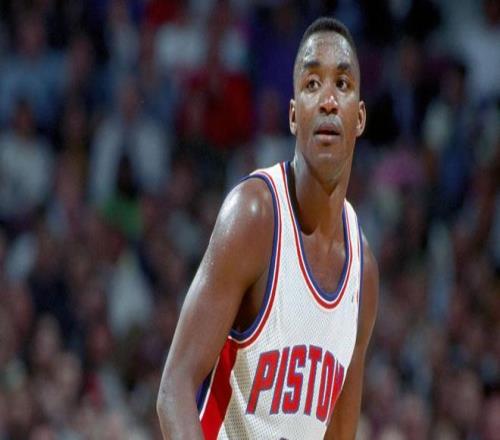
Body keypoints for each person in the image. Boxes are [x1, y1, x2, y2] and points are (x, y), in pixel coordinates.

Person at [157, 17, 379, 440]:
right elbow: (175, 388)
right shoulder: (255, 216)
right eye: (312, 84)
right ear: (294, 115)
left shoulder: (363, 274)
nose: (328, 100)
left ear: (360, 117)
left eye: (342, 84)